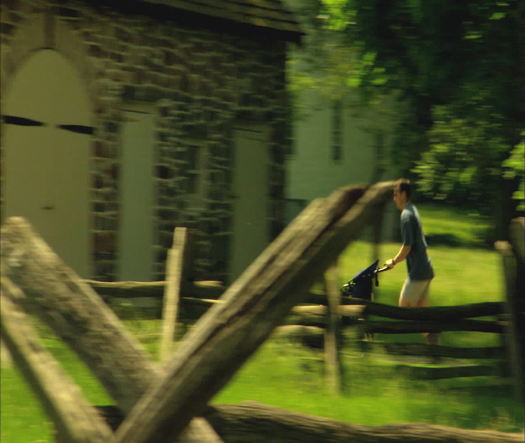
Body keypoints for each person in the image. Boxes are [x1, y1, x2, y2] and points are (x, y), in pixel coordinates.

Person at [385, 179, 439, 345]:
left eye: (395, 194)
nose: (394, 198)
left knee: (405, 307)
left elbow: (407, 246)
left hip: (418, 272)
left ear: (403, 194)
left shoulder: (406, 216)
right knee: (421, 312)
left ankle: (433, 336)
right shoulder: (412, 210)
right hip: (425, 269)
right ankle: (434, 347)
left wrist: (393, 261)